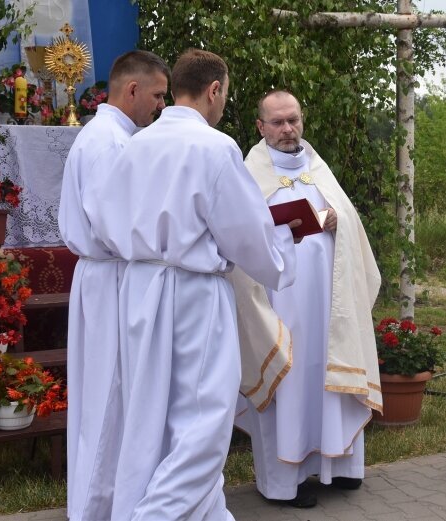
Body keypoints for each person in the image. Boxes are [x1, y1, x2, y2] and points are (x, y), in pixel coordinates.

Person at [82, 49, 300, 521]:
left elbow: (104, 216)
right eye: (226, 95)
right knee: (202, 424)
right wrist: (283, 252)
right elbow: (247, 233)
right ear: (214, 90)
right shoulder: (213, 147)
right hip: (193, 293)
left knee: (150, 422)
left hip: (138, 289)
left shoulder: (136, 142)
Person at [234, 90, 382, 508]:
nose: (288, 130)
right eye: (278, 123)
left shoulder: (318, 166)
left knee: (326, 376)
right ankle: (286, 482)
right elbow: (241, 237)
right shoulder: (248, 174)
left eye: (293, 120)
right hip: (278, 305)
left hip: (327, 304)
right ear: (260, 127)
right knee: (289, 379)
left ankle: (340, 466)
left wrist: (340, 220)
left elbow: (348, 219)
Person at [57, 49, 169, 521]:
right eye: (159, 95)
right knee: (107, 397)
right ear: (132, 90)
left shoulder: (111, 136)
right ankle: (97, 507)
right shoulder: (108, 142)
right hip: (111, 277)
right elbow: (114, 225)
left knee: (112, 395)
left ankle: (109, 501)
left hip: (110, 275)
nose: (162, 106)